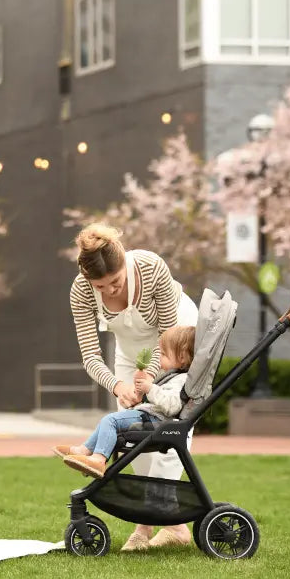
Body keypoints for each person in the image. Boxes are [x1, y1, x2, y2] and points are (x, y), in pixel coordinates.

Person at [61, 222, 198, 551]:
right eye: (100, 286)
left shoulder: (151, 267)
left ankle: (145, 526)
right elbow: (90, 356)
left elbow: (167, 338)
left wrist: (146, 384)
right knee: (132, 432)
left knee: (169, 429)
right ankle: (173, 526)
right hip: (130, 353)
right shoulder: (80, 291)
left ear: (124, 262)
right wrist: (118, 386)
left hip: (176, 341)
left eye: (116, 282)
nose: (109, 291)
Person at [56, 325, 196, 477]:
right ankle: (84, 451)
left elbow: (172, 406)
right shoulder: (174, 376)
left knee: (111, 421)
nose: (159, 358)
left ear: (182, 357)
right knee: (109, 421)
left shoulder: (182, 380)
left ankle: (98, 460)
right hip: (151, 416)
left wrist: (150, 388)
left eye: (163, 354)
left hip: (154, 420)